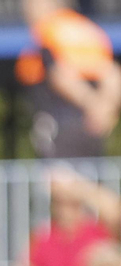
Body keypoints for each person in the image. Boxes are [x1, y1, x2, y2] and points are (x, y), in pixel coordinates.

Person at [17, 0, 121, 159]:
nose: (26, 10)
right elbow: (112, 74)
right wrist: (103, 110)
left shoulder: (49, 29)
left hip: (62, 124)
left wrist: (92, 104)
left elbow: (60, 74)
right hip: (93, 125)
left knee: (58, 180)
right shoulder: (89, 30)